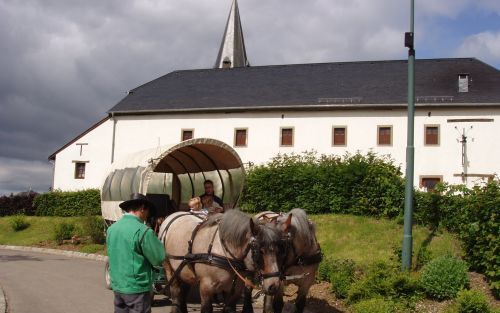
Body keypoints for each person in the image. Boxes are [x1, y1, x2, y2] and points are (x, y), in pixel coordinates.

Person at [106, 193, 166, 313]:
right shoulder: (143, 231)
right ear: (142, 208)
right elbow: (158, 258)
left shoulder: (112, 229)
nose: (148, 215)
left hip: (118, 286)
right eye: (148, 211)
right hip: (137, 288)